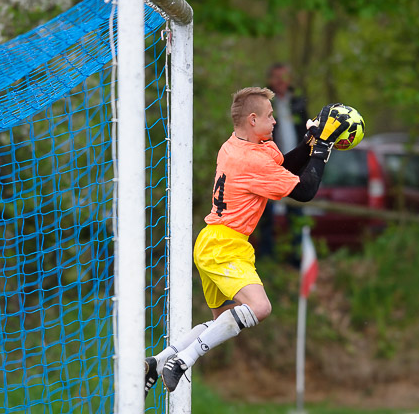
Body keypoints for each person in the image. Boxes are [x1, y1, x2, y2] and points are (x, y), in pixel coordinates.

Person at [144, 87, 354, 396]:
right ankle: (183, 360)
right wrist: (323, 147)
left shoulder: (240, 145)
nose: (275, 121)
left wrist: (310, 142)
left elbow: (283, 170)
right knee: (259, 307)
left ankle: (158, 361)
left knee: (223, 321)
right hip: (223, 245)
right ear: (253, 119)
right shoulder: (251, 160)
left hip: (216, 240)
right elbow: (305, 190)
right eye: (270, 116)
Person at [258, 63, 309, 263]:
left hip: (294, 167)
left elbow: (306, 133)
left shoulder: (297, 103)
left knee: (296, 211)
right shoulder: (263, 104)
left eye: (284, 77)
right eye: (276, 77)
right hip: (269, 166)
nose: (280, 81)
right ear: (270, 80)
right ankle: (267, 258)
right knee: (266, 213)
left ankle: (295, 259)